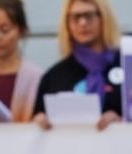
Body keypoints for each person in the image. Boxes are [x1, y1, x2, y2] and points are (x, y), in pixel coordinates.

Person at [32, 0, 122, 129]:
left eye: (89, 15)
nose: (82, 23)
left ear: (104, 18)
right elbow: (37, 120)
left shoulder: (128, 66)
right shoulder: (53, 77)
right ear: (67, 24)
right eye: (75, 17)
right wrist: (39, 122)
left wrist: (122, 123)